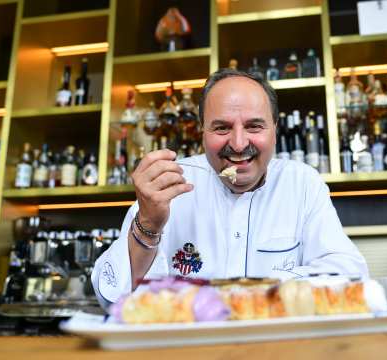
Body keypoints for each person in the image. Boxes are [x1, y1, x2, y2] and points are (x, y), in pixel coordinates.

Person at [92, 68, 368, 309]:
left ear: (274, 129)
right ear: (202, 132)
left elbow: (349, 274)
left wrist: (256, 291)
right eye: (222, 127)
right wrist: (148, 224)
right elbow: (111, 296)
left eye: (254, 126)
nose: (238, 144)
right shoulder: (169, 184)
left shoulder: (303, 183)